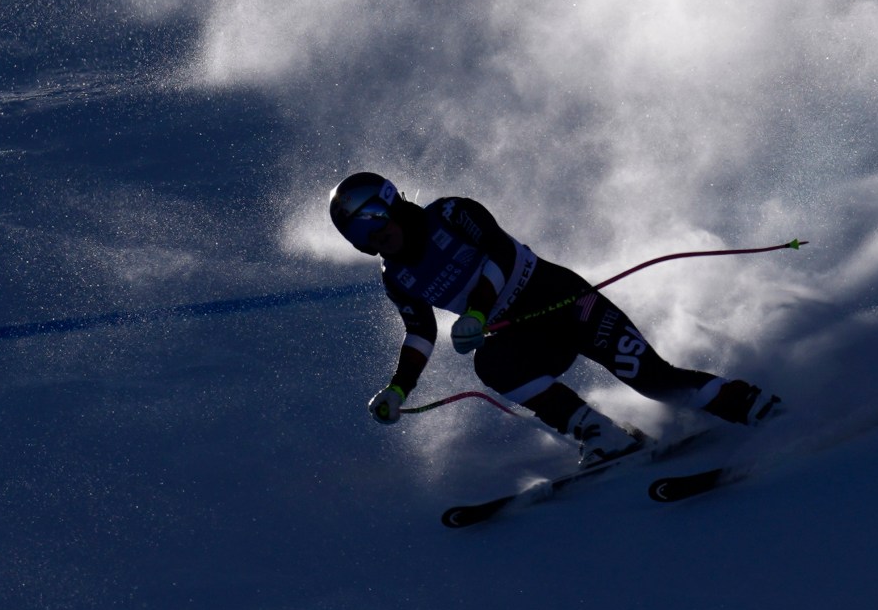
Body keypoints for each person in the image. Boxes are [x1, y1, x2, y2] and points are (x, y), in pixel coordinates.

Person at [329, 171, 782, 466]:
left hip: (561, 301)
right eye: (356, 236)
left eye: (371, 220)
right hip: (524, 334)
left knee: (649, 379)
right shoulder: (397, 277)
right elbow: (420, 332)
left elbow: (501, 254)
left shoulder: (450, 213)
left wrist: (476, 312)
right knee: (491, 365)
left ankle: (751, 406)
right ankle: (601, 434)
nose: (372, 238)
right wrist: (398, 388)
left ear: (389, 202)